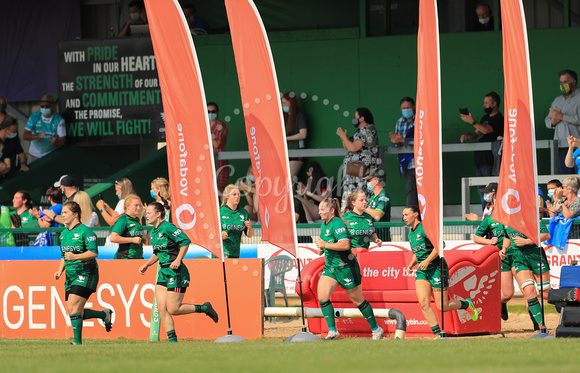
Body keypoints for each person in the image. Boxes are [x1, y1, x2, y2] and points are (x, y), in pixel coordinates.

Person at [139, 202, 218, 343]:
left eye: (149, 212)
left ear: (158, 214)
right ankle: (173, 343)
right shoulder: (154, 232)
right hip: (163, 272)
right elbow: (158, 252)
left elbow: (185, 241)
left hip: (176, 272)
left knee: (173, 309)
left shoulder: (167, 227)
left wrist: (178, 259)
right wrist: (146, 264)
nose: (146, 215)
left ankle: (204, 308)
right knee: (161, 308)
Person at [403, 205, 478, 339]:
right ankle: (437, 335)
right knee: (423, 303)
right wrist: (411, 264)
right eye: (403, 215)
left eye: (406, 214)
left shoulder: (425, 228)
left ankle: (467, 304)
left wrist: (427, 261)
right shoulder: (411, 233)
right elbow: (417, 252)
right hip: (423, 272)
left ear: (415, 215)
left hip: (437, 268)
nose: (404, 218)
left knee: (442, 306)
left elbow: (440, 245)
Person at [316, 197, 383, 340]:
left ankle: (376, 329)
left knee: (358, 301)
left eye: (322, 209)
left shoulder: (338, 223)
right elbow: (326, 244)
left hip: (346, 267)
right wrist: (321, 249)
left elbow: (345, 245)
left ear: (331, 210)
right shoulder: (324, 225)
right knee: (322, 296)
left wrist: (325, 245)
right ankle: (333, 331)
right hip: (331, 267)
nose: (319, 212)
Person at [54, 201, 113, 345]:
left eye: (65, 212)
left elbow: (94, 252)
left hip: (86, 272)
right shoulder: (63, 234)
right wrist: (60, 270)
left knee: (74, 307)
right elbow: (64, 255)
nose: (63, 215)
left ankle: (77, 343)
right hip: (71, 275)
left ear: (75, 214)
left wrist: (75, 257)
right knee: (73, 311)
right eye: (62, 212)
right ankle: (103, 314)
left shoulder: (86, 231)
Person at [502, 224, 551, 331]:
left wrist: (527, 241)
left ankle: (566, 306)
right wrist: (504, 249)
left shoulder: (530, 217)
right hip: (518, 256)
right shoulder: (506, 220)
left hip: (535, 254)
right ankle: (541, 326)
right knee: (528, 290)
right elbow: (507, 237)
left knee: (545, 293)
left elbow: (546, 235)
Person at [460, 92, 504, 210]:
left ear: (494, 104)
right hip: (479, 159)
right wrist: (468, 135)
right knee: (482, 191)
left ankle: (493, 214)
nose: (484, 105)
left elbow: (486, 130)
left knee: (491, 190)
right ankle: (485, 215)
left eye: (486, 103)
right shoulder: (485, 118)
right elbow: (477, 132)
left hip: (489, 160)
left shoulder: (499, 118)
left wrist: (472, 121)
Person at [472, 192, 512, 321]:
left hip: (519, 255)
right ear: (493, 203)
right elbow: (476, 237)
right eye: (497, 201)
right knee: (507, 294)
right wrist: (489, 242)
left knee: (528, 291)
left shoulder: (513, 216)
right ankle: (497, 303)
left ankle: (537, 326)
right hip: (502, 258)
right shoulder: (489, 219)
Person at [337, 107, 379, 210]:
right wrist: (344, 137)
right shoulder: (360, 131)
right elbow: (347, 146)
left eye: (355, 116)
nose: (353, 119)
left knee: (360, 198)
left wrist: (344, 137)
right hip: (354, 175)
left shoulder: (367, 130)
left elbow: (353, 147)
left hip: (361, 174)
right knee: (350, 199)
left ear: (361, 118)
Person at [545, 69, 580, 175]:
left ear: (573, 82)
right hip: (560, 146)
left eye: (565, 82)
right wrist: (555, 119)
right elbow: (547, 122)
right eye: (561, 82)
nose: (563, 85)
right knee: (565, 179)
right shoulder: (557, 100)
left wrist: (562, 116)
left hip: (577, 145)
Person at [389, 97, 418, 206]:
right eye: (403, 108)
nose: (406, 110)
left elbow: (421, 141)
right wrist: (395, 140)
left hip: (421, 163)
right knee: (410, 192)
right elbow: (397, 144)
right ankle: (411, 218)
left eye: (408, 107)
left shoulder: (420, 120)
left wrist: (402, 140)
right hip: (408, 163)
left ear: (414, 107)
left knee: (423, 193)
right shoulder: (399, 121)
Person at [22, 95, 66, 162]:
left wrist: (56, 141)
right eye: (42, 106)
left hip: (50, 155)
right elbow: (25, 136)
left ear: (53, 106)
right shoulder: (34, 116)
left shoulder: (59, 119)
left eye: (47, 106)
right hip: (33, 156)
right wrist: (37, 136)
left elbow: (63, 140)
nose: (44, 108)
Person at [343, 190, 382, 256]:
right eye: (361, 200)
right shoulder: (346, 218)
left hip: (365, 254)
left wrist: (376, 240)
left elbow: (372, 233)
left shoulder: (368, 217)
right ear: (353, 203)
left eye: (365, 200)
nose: (364, 202)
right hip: (350, 255)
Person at [220, 184, 254, 259]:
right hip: (221, 253)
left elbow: (249, 235)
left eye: (238, 194)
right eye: (234, 194)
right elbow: (210, 232)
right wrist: (219, 234)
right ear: (227, 196)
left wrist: (250, 228)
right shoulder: (220, 211)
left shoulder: (243, 212)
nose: (237, 196)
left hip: (236, 254)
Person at [282, 92, 308, 182]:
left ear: (291, 103)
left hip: (297, 150)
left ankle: (291, 196)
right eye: (282, 103)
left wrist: (285, 139)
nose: (283, 105)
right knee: (282, 180)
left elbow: (303, 134)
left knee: (289, 180)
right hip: (284, 151)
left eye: (285, 103)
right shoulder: (283, 117)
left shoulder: (300, 115)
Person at [110, 194, 144, 259]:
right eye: (136, 205)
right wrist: (132, 240)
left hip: (138, 257)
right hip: (125, 258)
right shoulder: (123, 219)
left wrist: (143, 240)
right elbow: (113, 238)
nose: (139, 208)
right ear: (127, 206)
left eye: (140, 205)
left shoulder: (136, 220)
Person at [364, 168, 391, 242]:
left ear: (376, 181)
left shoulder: (383, 196)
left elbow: (378, 215)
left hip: (382, 238)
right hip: (373, 237)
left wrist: (363, 207)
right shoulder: (373, 196)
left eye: (369, 180)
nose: (368, 183)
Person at [208, 102, 229, 192]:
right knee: (208, 187)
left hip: (219, 158)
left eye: (213, 111)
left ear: (217, 112)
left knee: (219, 188)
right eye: (208, 111)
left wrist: (206, 135)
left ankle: (220, 206)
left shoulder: (220, 125)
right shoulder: (203, 124)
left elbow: (217, 144)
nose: (211, 113)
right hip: (206, 158)